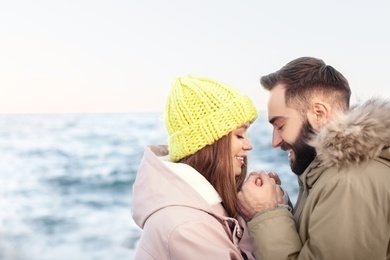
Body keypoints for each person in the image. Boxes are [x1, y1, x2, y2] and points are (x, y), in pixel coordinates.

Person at [237, 57, 390, 259]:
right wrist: (280, 207)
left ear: (318, 113)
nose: (274, 141)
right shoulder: (329, 174)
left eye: (280, 126)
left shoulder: (348, 183)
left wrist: (264, 213)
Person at [132, 75, 284, 259]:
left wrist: (262, 209)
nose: (248, 145)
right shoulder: (187, 227)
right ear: (209, 143)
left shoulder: (204, 206)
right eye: (239, 135)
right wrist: (266, 214)